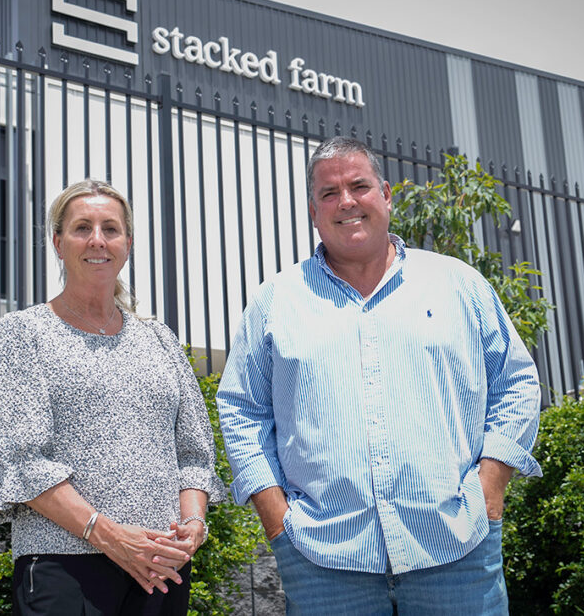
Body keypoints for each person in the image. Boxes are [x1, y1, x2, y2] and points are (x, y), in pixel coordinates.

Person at [217, 136, 542, 614]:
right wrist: (276, 521)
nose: (346, 201)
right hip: (323, 564)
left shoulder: (458, 285)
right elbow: (242, 410)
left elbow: (516, 382)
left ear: (386, 195)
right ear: (313, 211)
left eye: (359, 186)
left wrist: (490, 486)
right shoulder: (275, 303)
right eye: (329, 193)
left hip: (457, 553)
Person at [0, 179, 225, 616]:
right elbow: (23, 463)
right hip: (64, 567)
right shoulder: (24, 335)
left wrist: (193, 525)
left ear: (127, 242)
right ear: (57, 242)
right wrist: (110, 537)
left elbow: (195, 454)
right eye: (81, 228)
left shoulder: (159, 340)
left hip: (161, 570)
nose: (98, 240)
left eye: (110, 228)